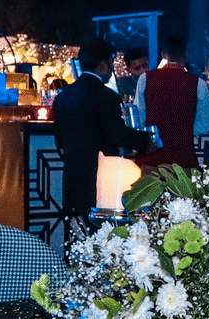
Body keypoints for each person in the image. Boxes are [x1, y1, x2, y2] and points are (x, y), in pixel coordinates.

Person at [53, 37, 152, 224]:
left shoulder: (63, 97)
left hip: (72, 177)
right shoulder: (107, 96)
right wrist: (146, 142)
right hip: (101, 179)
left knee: (77, 234)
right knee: (102, 233)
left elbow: (59, 139)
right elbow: (117, 133)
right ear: (105, 64)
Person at [134, 31, 206, 170]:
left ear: (162, 54)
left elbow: (140, 119)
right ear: (186, 54)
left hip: (152, 159)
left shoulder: (145, 78)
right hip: (183, 159)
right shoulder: (199, 84)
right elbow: (202, 126)